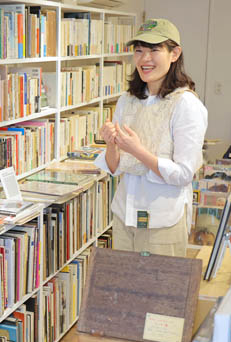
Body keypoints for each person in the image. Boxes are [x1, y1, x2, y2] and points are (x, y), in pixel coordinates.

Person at [94, 18, 208, 257]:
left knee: (159, 283)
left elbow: (184, 174)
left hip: (162, 222)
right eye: (139, 50)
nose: (145, 59)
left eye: (154, 50)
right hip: (124, 216)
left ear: (174, 53)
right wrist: (111, 144)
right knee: (122, 281)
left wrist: (137, 150)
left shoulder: (186, 104)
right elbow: (114, 168)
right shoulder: (127, 100)